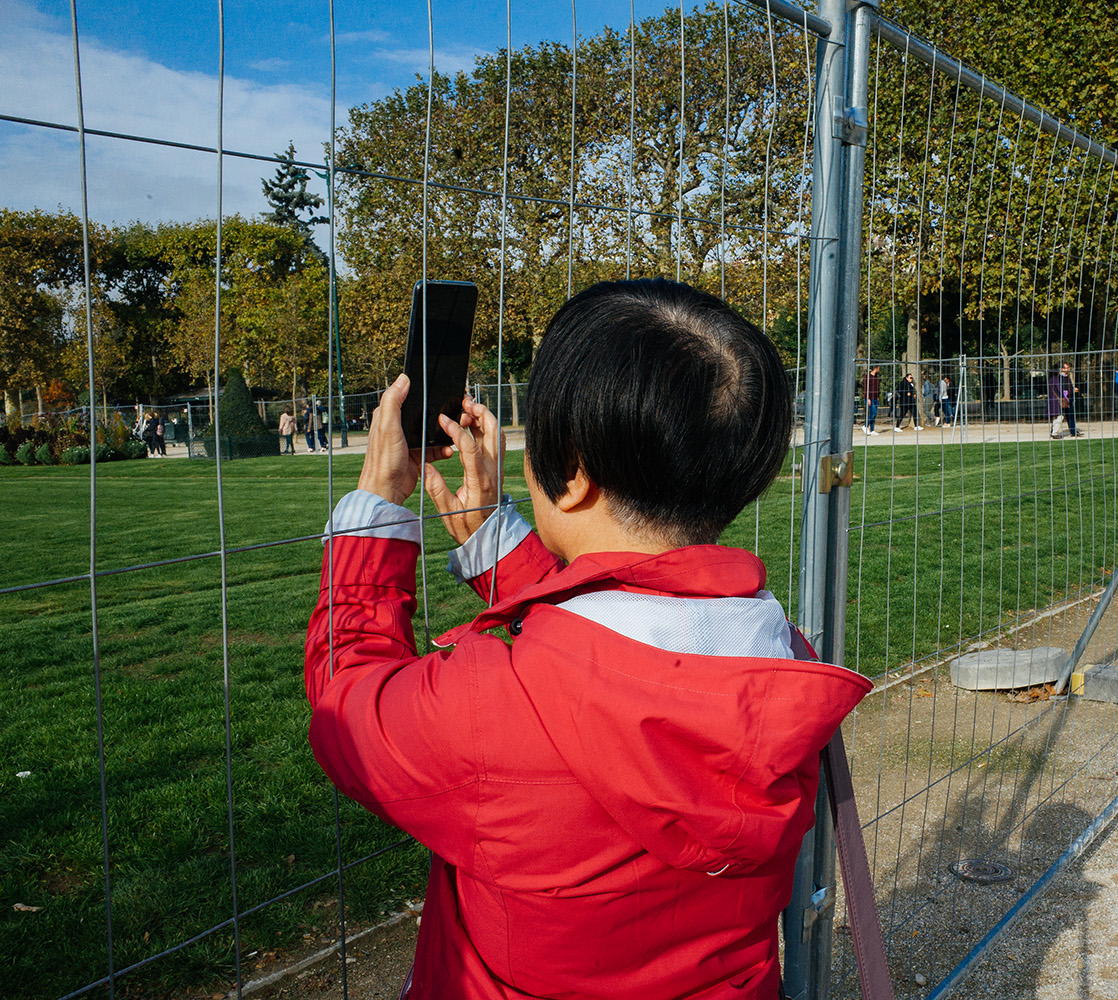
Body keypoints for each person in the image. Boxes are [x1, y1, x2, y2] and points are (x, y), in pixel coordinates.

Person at [304, 278, 872, 999]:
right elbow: (623, 649)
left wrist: (377, 505)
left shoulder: (487, 711)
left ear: (571, 473)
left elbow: (347, 703)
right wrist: (498, 547)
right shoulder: (785, 665)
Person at [1047, 362, 1080, 438]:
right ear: (1061, 369)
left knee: (1070, 415)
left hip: (1068, 399)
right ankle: (1054, 432)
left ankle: (1072, 431)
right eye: (1066, 368)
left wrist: (1072, 390)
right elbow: (1060, 389)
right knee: (1059, 416)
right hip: (1062, 400)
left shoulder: (1066, 377)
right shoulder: (1057, 378)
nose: (1068, 369)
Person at [862, 364, 882, 435]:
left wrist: (877, 396)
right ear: (875, 368)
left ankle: (872, 430)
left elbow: (877, 388)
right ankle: (865, 425)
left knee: (874, 414)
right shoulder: (867, 377)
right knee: (873, 412)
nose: (879, 370)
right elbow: (865, 388)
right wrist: (868, 398)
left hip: (875, 397)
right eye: (878, 368)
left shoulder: (876, 377)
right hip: (869, 398)